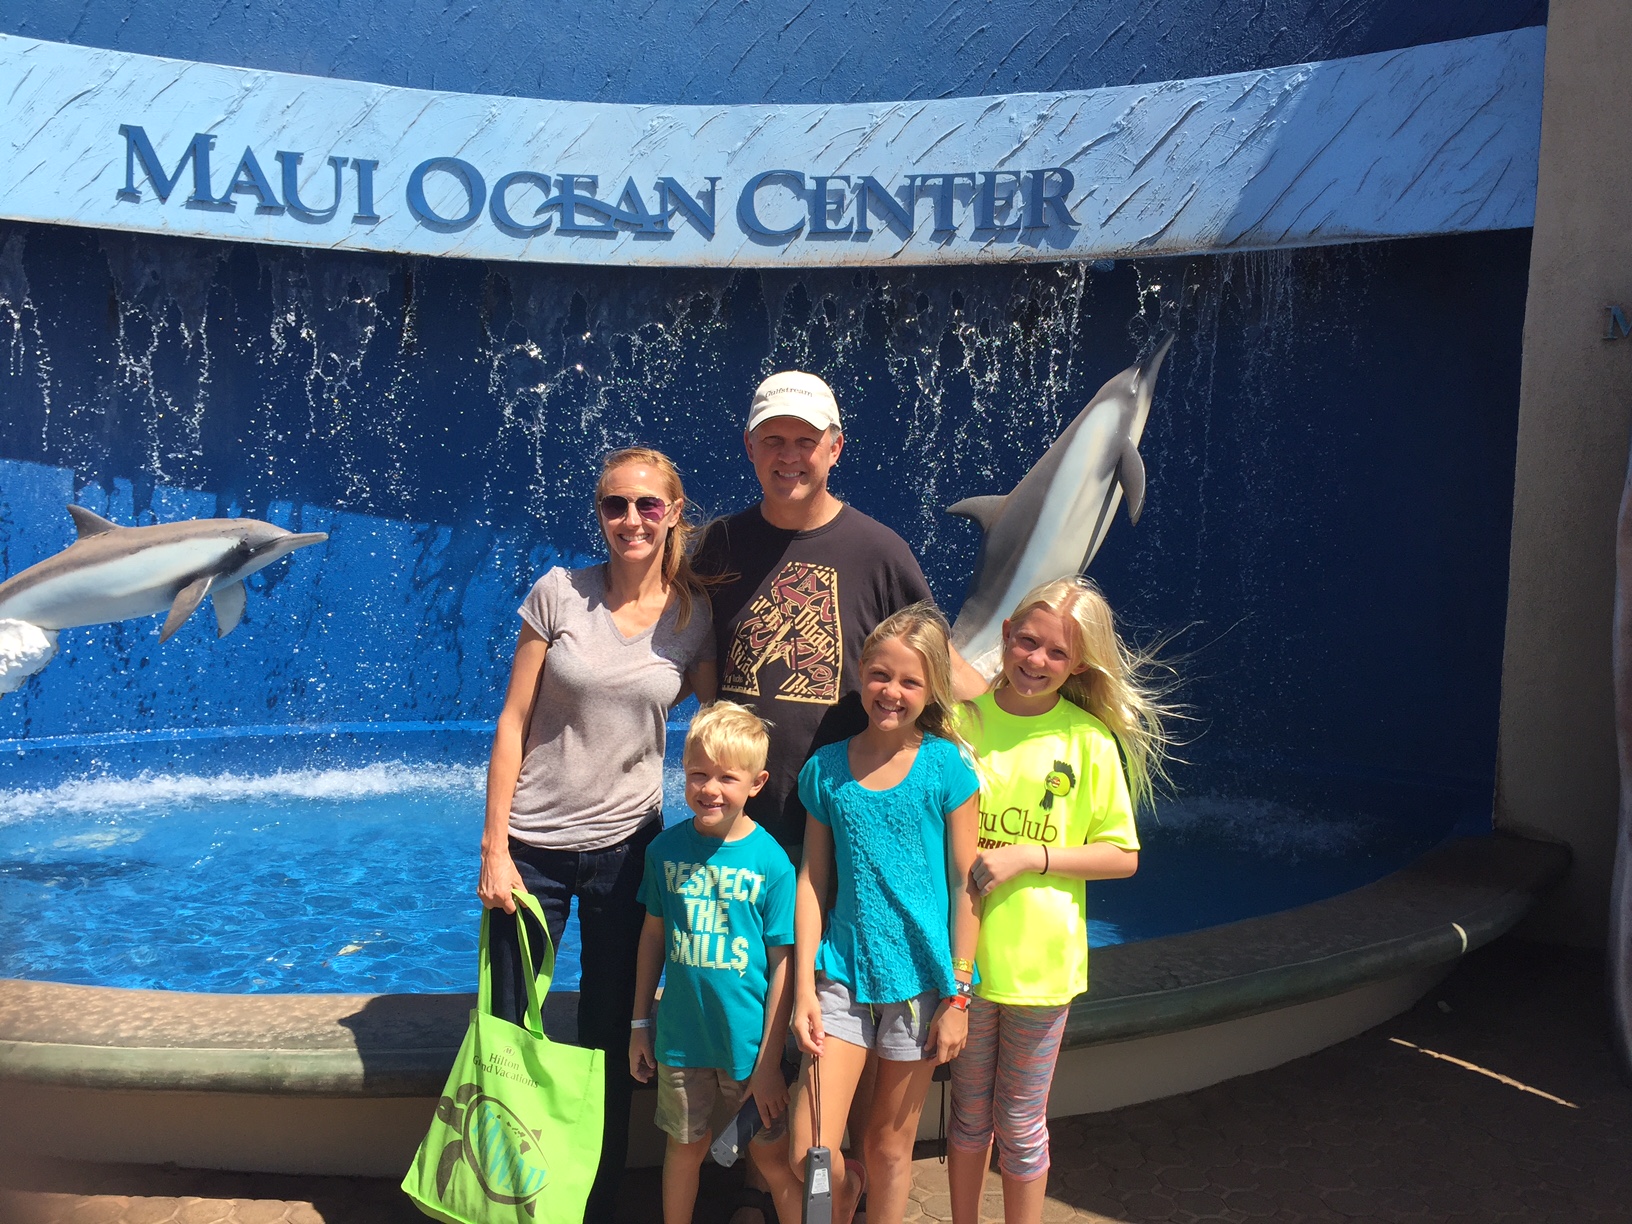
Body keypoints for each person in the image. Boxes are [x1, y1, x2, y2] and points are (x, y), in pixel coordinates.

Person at [477, 446, 717, 1224]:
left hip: (628, 851)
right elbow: (512, 722)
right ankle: (504, 1192)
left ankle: (590, 1196)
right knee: (509, 1023)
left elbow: (715, 733)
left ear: (674, 512)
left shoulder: (693, 615)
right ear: (600, 515)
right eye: (616, 505)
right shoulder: (558, 593)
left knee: (612, 1029)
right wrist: (494, 846)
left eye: (649, 505)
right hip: (533, 848)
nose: (632, 520)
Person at [947, 577, 1173, 1224]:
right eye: (1028, 642)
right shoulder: (963, 725)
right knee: (965, 1115)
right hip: (965, 961)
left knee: (1019, 1123)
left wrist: (1031, 856)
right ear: (1007, 635)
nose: (1036, 661)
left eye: (1057, 653)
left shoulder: (1087, 741)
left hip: (1040, 970)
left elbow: (1122, 856)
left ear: (1078, 665)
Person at [693, 370, 987, 858]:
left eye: (805, 441)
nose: (788, 456)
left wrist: (1034, 720)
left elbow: (940, 662)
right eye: (773, 440)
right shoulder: (719, 545)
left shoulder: (880, 551)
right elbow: (678, 657)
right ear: (749, 446)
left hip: (843, 821)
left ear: (835, 448)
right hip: (735, 821)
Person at [785, 604, 982, 1224]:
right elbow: (814, 879)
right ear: (860, 673)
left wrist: (958, 998)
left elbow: (964, 885)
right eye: (879, 675)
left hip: (921, 989)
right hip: (840, 978)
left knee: (889, 1147)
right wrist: (803, 992)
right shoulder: (826, 770)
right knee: (808, 1149)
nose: (890, 692)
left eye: (909, 682)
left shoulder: (946, 769)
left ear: (932, 692)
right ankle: (842, 1197)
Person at [629, 701, 804, 1224]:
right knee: (684, 1150)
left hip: (749, 1048)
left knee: (771, 1158)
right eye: (698, 774)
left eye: (727, 777)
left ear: (757, 782)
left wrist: (771, 1062)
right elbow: (652, 938)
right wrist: (641, 1023)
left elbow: (784, 966)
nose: (710, 789)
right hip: (682, 1041)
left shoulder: (772, 863)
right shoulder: (664, 851)